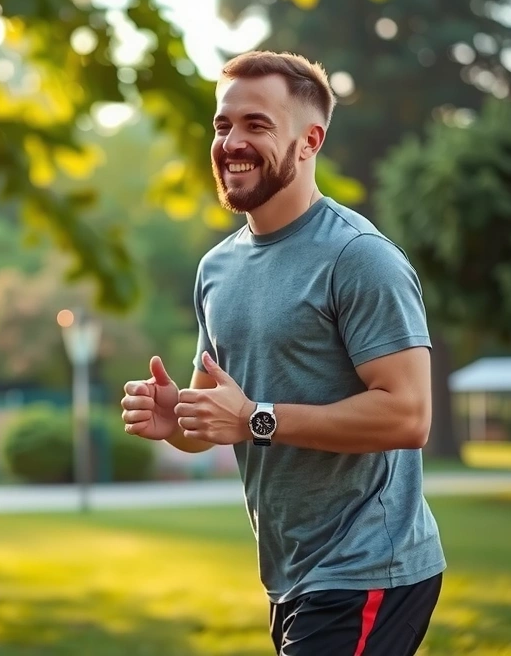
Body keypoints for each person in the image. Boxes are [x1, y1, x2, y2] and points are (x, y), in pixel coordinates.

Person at [120, 50, 445, 656]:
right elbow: (215, 419)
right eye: (223, 125)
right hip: (291, 574)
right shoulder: (217, 269)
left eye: (257, 125)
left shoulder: (359, 257)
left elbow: (408, 416)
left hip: (369, 567)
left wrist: (255, 418)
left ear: (309, 141)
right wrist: (175, 419)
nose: (232, 143)